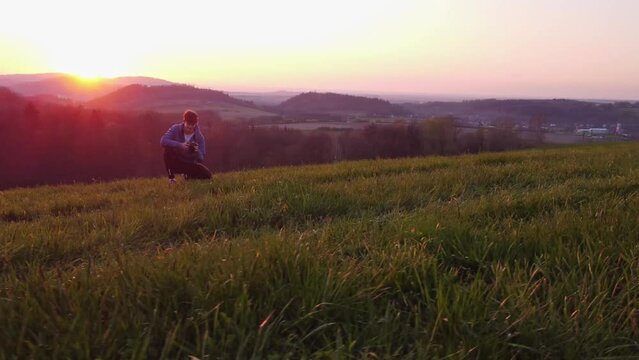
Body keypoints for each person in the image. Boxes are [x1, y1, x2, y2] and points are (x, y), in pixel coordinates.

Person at [161, 110, 212, 182]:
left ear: (196, 124)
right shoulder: (175, 128)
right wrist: (180, 145)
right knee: (167, 150)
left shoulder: (200, 137)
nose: (190, 127)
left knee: (208, 176)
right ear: (184, 121)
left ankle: (188, 176)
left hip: (189, 163)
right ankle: (171, 178)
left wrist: (196, 151)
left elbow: (201, 158)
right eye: (188, 124)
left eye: (193, 125)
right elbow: (163, 141)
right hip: (176, 161)